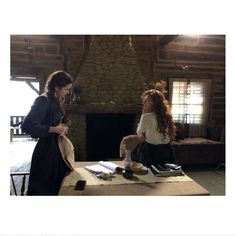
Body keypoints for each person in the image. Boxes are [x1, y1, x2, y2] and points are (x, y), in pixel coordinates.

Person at [21, 70, 73, 195]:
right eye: (66, 89)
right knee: (44, 189)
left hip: (56, 149)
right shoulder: (43, 100)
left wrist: (63, 128)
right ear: (56, 87)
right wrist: (54, 129)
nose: (67, 92)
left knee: (56, 186)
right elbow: (27, 126)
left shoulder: (56, 101)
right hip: (45, 152)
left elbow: (58, 121)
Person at [130, 88, 177, 167]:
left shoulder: (147, 116)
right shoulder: (167, 116)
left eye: (147, 101)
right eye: (144, 101)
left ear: (155, 103)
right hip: (167, 151)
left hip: (151, 152)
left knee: (138, 148)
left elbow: (139, 132)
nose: (144, 103)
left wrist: (143, 114)